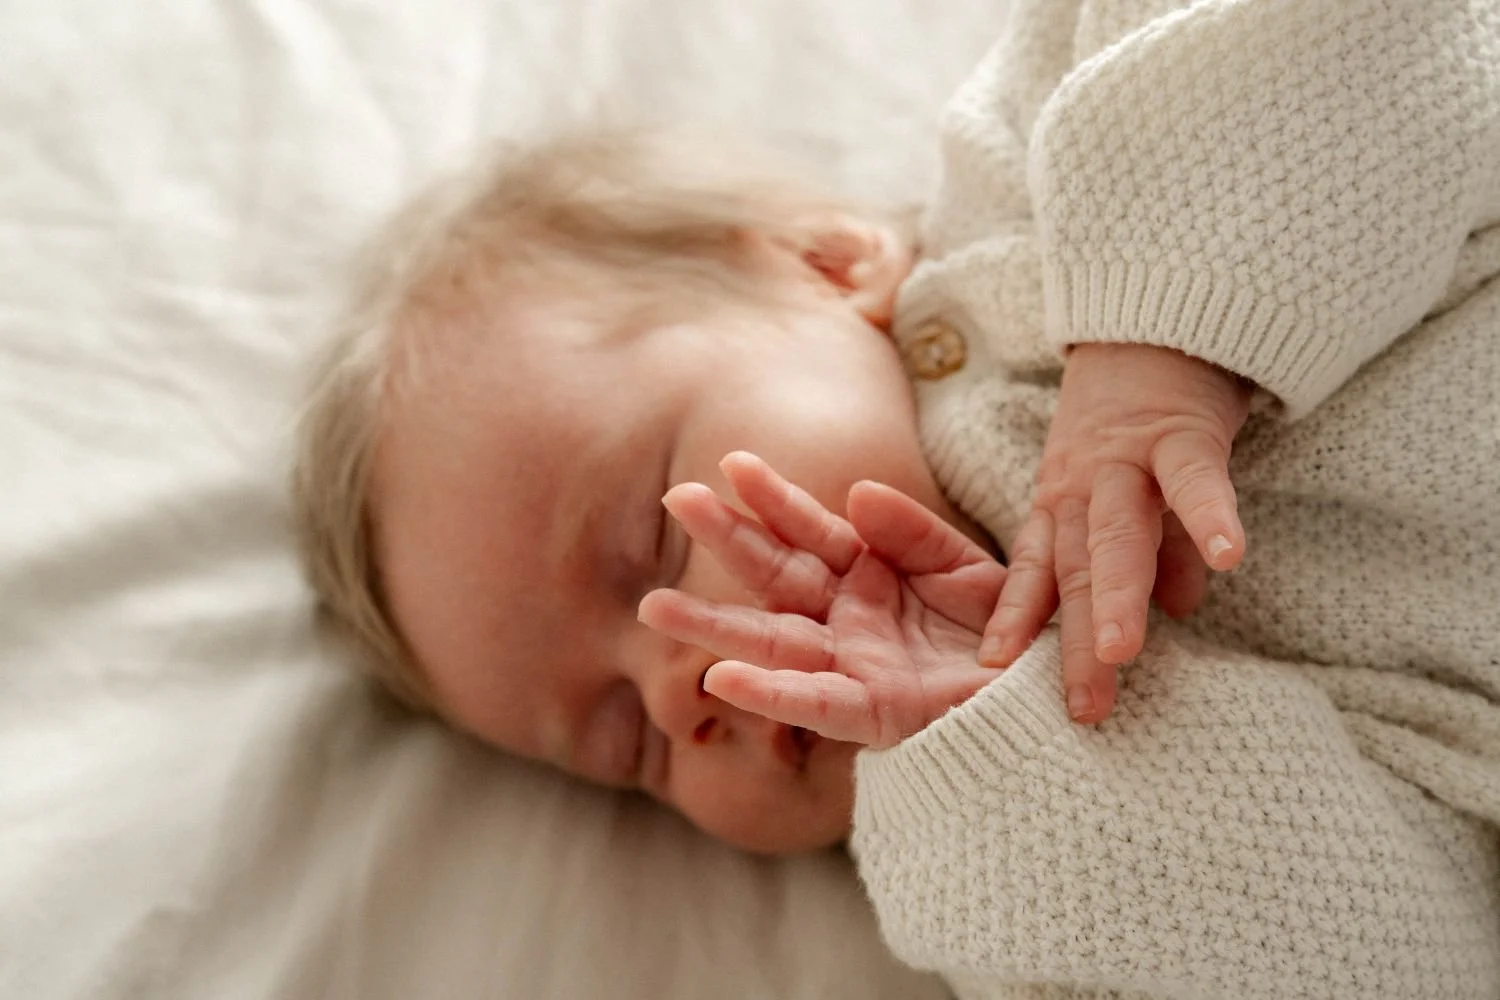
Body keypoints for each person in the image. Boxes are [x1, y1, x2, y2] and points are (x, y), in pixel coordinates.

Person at [293, 0, 1500, 994]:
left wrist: (1157, 337)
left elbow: (1398, 33)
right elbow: (1416, 961)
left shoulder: (1044, 194)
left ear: (829, 265)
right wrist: (1003, 754)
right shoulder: (999, 890)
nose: (686, 682)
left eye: (656, 538)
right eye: (629, 744)